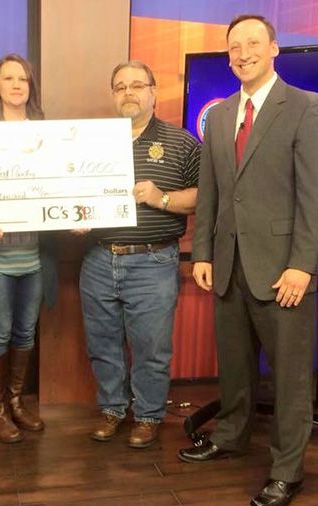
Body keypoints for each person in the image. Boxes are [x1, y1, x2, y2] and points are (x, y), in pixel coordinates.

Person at [177, 15, 318, 506]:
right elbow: (212, 195)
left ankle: (288, 470)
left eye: (252, 43)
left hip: (283, 269)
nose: (242, 53)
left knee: (289, 378)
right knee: (236, 366)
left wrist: (302, 265)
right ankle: (231, 436)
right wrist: (202, 251)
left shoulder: (305, 108)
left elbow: (315, 197)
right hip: (227, 264)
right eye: (234, 47)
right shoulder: (221, 114)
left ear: (273, 49)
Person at [79, 61, 201, 449]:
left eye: (136, 85)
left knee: (151, 347)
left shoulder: (181, 142)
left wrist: (160, 197)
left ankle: (148, 416)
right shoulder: (90, 142)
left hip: (153, 261)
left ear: (153, 91)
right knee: (102, 343)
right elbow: (70, 191)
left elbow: (203, 195)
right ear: (113, 95)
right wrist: (74, 215)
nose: (128, 93)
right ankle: (113, 409)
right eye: (120, 87)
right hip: (98, 259)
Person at [0, 54, 57, 444]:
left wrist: (78, 212)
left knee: (25, 333)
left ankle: (17, 403)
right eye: (9, 78)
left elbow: (62, 186)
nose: (17, 85)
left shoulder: (49, 134)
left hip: (35, 257)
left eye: (24, 79)